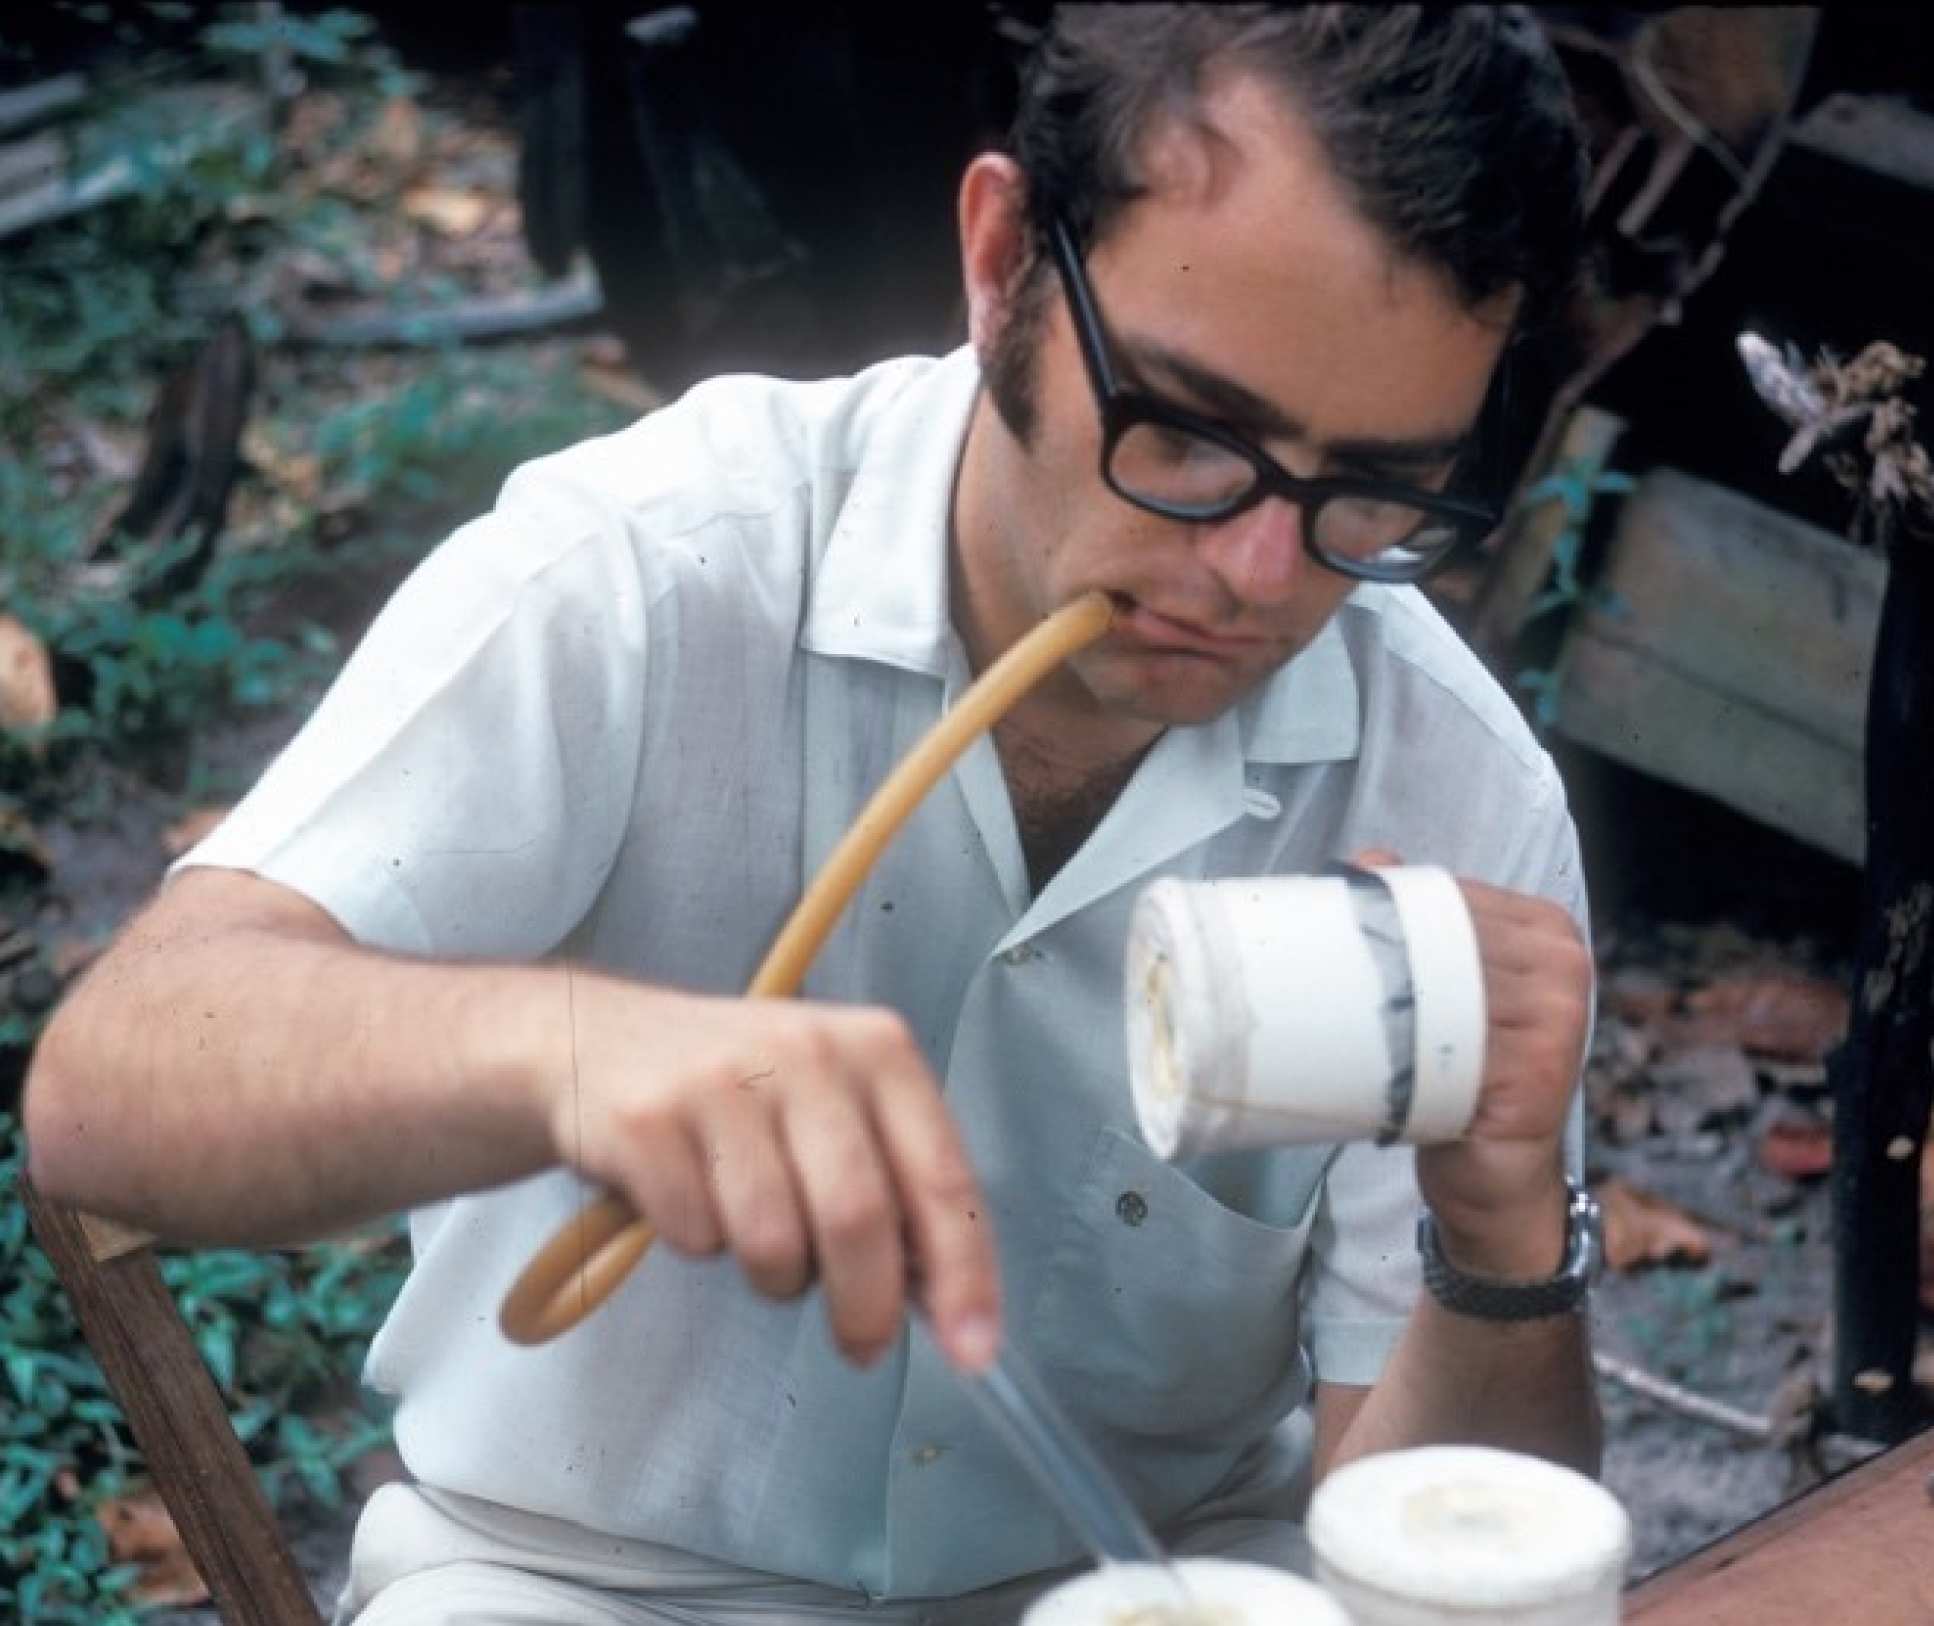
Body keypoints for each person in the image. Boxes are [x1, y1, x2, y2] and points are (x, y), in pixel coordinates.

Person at [25, 7, 1602, 1622]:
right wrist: (576, 1057)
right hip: (585, 1584)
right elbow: (110, 1084)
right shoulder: (651, 571)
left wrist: (1498, 1244)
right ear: (1000, 264)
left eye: (1373, 490)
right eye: (1192, 436)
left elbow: (1434, 1557)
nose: (1260, 578)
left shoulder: (1447, 780)